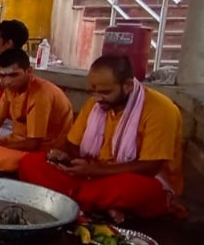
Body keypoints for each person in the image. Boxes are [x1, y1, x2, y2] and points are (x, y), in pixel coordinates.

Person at [19, 55, 184, 220]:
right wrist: (65, 157)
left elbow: (150, 167)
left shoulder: (161, 110)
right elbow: (72, 145)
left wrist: (96, 171)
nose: (97, 98)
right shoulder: (94, 104)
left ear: (127, 85)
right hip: (90, 177)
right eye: (93, 91)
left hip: (135, 179)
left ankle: (71, 200)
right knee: (31, 162)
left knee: (134, 189)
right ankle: (96, 204)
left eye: (105, 92)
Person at [0, 49, 72, 175]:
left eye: (13, 75)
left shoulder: (40, 94)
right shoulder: (10, 90)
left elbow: (33, 144)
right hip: (14, 142)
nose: (7, 81)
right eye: (3, 76)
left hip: (42, 152)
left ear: (28, 71)